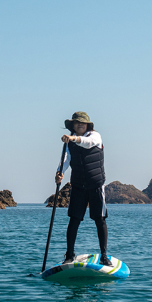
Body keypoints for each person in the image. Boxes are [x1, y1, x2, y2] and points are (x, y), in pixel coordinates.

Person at [55, 112, 111, 266]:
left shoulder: (95, 136)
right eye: (77, 122)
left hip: (96, 184)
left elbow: (87, 143)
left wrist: (73, 138)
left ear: (87, 125)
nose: (80, 124)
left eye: (83, 122)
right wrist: (59, 173)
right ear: (73, 125)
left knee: (99, 219)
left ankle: (104, 256)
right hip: (78, 184)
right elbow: (65, 159)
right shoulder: (69, 142)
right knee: (74, 219)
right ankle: (69, 255)